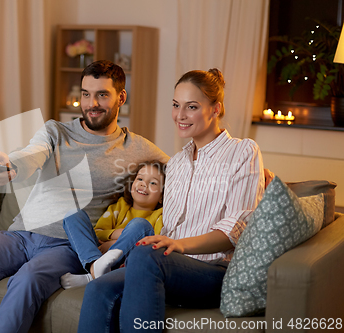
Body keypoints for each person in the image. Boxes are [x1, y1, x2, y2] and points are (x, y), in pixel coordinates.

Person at [0, 60, 168, 333]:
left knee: (27, 280)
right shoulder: (56, 131)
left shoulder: (137, 148)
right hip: (20, 234)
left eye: (102, 94)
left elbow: (182, 173)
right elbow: (33, 153)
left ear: (121, 98)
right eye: (86, 94)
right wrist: (10, 165)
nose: (92, 103)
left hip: (68, 245)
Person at [78, 68, 265, 333]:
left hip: (214, 271)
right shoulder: (175, 163)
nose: (180, 115)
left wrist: (178, 245)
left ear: (215, 109)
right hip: (166, 265)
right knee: (98, 288)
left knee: (146, 256)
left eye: (192, 107)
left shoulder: (243, 152)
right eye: (176, 105)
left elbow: (234, 231)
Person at [61, 160, 166, 289]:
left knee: (140, 225)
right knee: (73, 214)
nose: (144, 184)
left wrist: (115, 243)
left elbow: (154, 243)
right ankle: (94, 267)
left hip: (126, 259)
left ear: (162, 196)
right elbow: (98, 232)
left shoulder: (159, 215)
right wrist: (115, 233)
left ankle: (91, 276)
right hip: (99, 253)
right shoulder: (119, 206)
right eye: (140, 179)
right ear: (132, 183)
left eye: (153, 183)